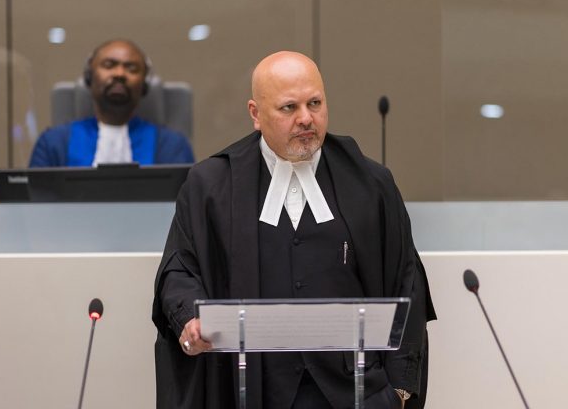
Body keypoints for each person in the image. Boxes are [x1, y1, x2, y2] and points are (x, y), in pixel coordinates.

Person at [152, 51, 436, 409]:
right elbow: (180, 269)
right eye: (289, 108)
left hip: (356, 392)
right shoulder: (210, 186)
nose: (306, 118)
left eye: (315, 103)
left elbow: (407, 282)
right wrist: (189, 318)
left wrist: (400, 391)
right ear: (255, 114)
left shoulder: (371, 183)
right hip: (250, 388)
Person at [29, 39, 194, 167]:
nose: (119, 73)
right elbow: (33, 207)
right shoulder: (53, 143)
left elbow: (188, 207)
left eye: (131, 68)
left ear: (144, 84)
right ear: (89, 77)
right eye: (109, 65)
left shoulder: (172, 145)